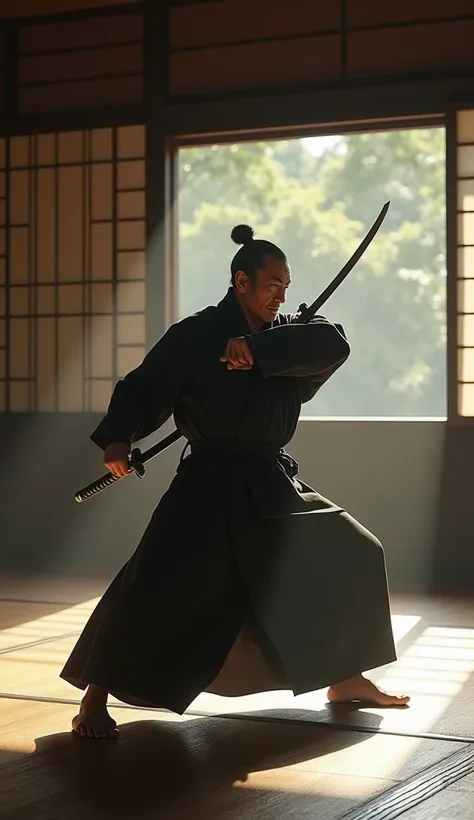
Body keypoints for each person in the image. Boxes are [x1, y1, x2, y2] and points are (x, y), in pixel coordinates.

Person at [61, 224, 409, 739]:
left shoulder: (285, 339)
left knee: (353, 549)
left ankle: (345, 677)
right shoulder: (196, 335)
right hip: (209, 478)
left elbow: (335, 344)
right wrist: (117, 440)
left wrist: (257, 350)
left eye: (286, 286)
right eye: (272, 283)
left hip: (269, 478)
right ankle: (94, 698)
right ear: (241, 281)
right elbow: (142, 387)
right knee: (155, 582)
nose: (281, 295)